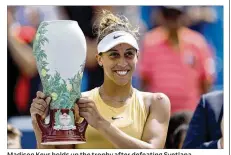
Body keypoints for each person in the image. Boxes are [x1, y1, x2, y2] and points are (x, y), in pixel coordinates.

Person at [30, 10, 171, 149]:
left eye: (129, 54)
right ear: (99, 59)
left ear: (137, 57)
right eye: (114, 55)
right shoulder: (79, 104)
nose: (122, 63)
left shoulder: (156, 102)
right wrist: (40, 127)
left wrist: (100, 123)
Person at [138, 6, 215, 114]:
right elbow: (144, 81)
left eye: (175, 15)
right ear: (162, 17)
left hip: (190, 113)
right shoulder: (150, 42)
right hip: (159, 114)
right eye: (168, 15)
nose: (172, 20)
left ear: (183, 16)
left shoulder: (197, 42)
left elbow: (206, 81)